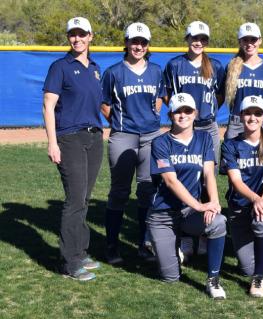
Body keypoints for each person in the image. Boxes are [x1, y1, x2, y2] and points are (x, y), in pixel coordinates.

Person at [147, 93, 227, 299]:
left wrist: (214, 201)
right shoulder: (160, 142)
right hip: (163, 214)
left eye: (188, 111)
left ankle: (213, 279)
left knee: (218, 222)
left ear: (195, 113)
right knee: (170, 277)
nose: (183, 115)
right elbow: (170, 181)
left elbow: (209, 172)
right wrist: (200, 206)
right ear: (170, 114)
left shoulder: (203, 138)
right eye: (177, 111)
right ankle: (169, 244)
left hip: (188, 211)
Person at [43, 17, 103, 281]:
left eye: (81, 34)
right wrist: (52, 142)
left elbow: (100, 105)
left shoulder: (95, 68)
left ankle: (80, 251)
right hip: (70, 138)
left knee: (85, 198)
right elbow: (48, 105)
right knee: (75, 199)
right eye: (72, 35)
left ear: (91, 36)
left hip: (94, 137)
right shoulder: (60, 67)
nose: (77, 39)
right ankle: (69, 262)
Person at [100, 22, 166, 264]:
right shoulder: (114, 72)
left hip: (151, 135)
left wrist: (151, 118)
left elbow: (160, 98)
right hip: (123, 135)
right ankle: (112, 245)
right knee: (119, 191)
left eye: (143, 42)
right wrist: (119, 123)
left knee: (147, 190)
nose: (138, 46)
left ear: (148, 46)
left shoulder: (156, 71)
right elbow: (104, 103)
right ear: (126, 43)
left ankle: (143, 244)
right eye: (134, 41)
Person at [163, 20, 226, 259]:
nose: (198, 42)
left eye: (203, 38)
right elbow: (169, 95)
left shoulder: (216, 66)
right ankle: (188, 236)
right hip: (182, 127)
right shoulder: (175, 64)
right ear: (187, 39)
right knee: (185, 176)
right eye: (193, 37)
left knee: (206, 178)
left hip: (207, 126)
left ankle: (205, 232)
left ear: (207, 41)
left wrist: (207, 112)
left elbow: (219, 95)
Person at [220, 96, 263, 298]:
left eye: (257, 113)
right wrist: (256, 199)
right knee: (245, 267)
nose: (252, 117)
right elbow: (236, 183)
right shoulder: (230, 145)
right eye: (248, 113)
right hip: (239, 208)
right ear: (240, 116)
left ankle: (259, 278)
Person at [223, 22, 263, 140]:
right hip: (238, 122)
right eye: (245, 40)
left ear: (260, 40)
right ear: (240, 42)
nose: (249, 43)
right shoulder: (231, 67)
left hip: (262, 121)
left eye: (253, 39)